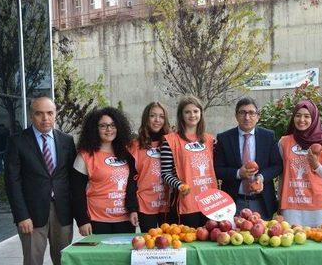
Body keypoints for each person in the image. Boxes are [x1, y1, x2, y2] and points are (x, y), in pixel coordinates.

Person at [4, 97, 85, 265]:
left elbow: (72, 180)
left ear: (56, 114)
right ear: (31, 115)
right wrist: (21, 216)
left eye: (49, 113)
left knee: (64, 259)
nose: (45, 118)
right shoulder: (18, 142)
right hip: (32, 214)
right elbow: (13, 182)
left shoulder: (66, 141)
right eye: (40, 113)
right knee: (32, 262)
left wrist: (80, 216)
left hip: (62, 210)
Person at [71, 107, 138, 235]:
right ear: (94, 129)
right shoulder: (85, 156)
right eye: (103, 126)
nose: (109, 129)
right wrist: (82, 221)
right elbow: (76, 192)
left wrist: (133, 209)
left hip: (125, 220)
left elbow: (132, 185)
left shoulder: (126, 154)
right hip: (97, 221)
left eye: (113, 125)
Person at [214, 97, 282, 219]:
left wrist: (261, 177)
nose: (247, 117)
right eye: (242, 112)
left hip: (261, 202)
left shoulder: (268, 136)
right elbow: (217, 169)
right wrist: (238, 173)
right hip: (233, 202)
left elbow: (277, 165)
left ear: (258, 116)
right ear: (236, 116)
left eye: (251, 113)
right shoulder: (224, 138)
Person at [160, 95, 217, 228]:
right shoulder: (170, 141)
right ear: (181, 115)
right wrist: (179, 185)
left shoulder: (210, 140)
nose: (192, 115)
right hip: (186, 202)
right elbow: (165, 173)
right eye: (187, 112)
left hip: (210, 202)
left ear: (201, 114)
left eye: (196, 111)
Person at [278, 100, 322, 227]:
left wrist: (316, 165)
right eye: (298, 115)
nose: (301, 119)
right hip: (292, 203)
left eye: (307, 116)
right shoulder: (284, 142)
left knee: (318, 240)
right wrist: (279, 199)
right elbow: (282, 174)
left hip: (318, 204)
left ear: (314, 118)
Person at [129, 102, 171, 232]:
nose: (157, 120)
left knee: (171, 244)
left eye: (161, 116)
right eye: (153, 116)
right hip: (145, 204)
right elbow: (130, 179)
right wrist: (132, 208)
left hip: (168, 204)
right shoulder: (134, 145)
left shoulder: (172, 142)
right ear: (146, 118)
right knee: (150, 246)